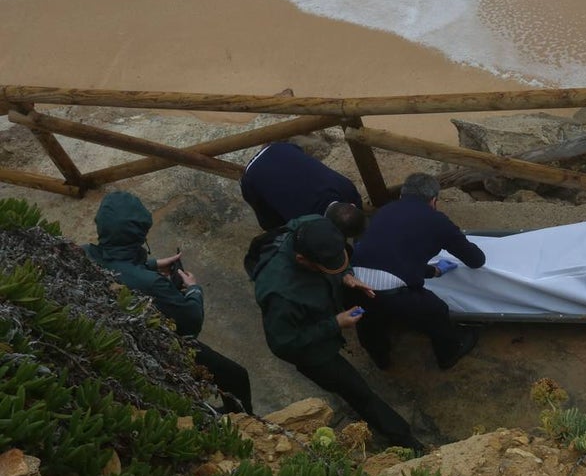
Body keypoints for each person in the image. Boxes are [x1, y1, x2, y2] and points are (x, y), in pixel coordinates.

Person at [250, 215, 423, 451]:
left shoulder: (315, 225)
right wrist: (335, 323)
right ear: (302, 260)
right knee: (358, 391)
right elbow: (283, 344)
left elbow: (338, 262)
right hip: (314, 352)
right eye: (329, 267)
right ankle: (404, 439)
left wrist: (347, 275)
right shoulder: (281, 294)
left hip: (323, 310)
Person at [84, 191, 253, 414]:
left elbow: (116, 263)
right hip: (154, 345)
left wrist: (149, 265)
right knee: (236, 376)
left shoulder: (83, 253)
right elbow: (190, 323)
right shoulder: (152, 284)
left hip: (111, 339)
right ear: (140, 234)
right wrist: (193, 289)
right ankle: (241, 419)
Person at [350, 173, 486, 371]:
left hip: (354, 284)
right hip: (392, 294)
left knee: (368, 321)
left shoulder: (383, 212)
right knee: (436, 310)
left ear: (402, 196)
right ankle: (449, 353)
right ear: (433, 200)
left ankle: (380, 358)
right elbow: (476, 260)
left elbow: (393, 257)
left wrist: (433, 271)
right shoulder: (437, 221)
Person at [240, 141, 366, 238]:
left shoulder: (347, 187)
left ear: (351, 205)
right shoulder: (303, 222)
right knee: (273, 224)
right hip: (252, 175)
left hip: (281, 149)